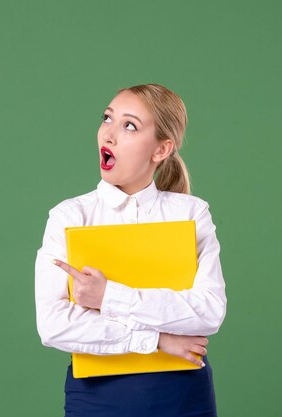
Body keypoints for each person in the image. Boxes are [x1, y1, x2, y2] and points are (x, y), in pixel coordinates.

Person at [34, 84, 227, 417]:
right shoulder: (69, 217)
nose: (108, 135)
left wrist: (108, 297)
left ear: (161, 149)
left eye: (129, 125)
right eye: (107, 118)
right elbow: (54, 325)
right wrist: (157, 340)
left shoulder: (191, 214)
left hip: (184, 394)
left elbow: (209, 312)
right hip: (98, 397)